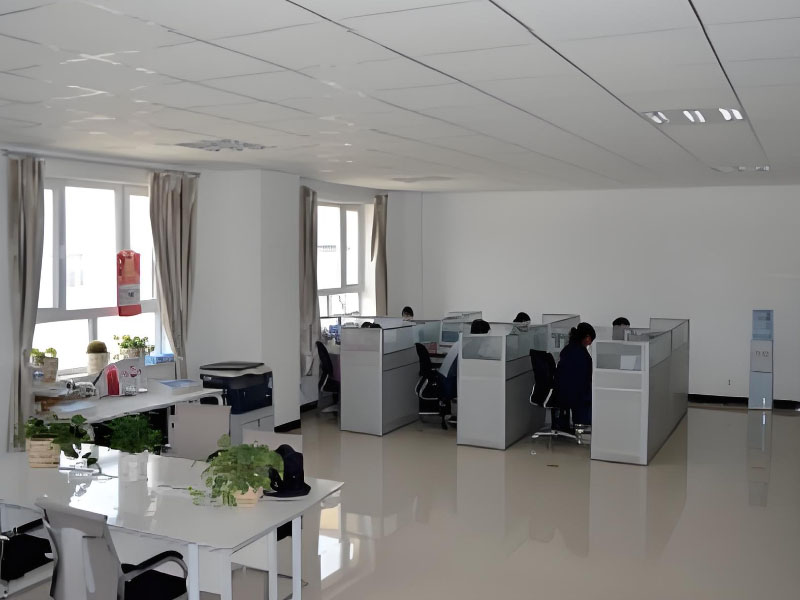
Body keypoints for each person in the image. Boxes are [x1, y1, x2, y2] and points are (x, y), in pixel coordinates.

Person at [554, 322, 596, 430]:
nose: (590, 343)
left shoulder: (567, 349)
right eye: (591, 340)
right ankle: (582, 428)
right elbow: (585, 379)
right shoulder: (583, 355)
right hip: (575, 395)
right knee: (591, 397)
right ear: (587, 337)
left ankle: (567, 426)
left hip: (561, 391)